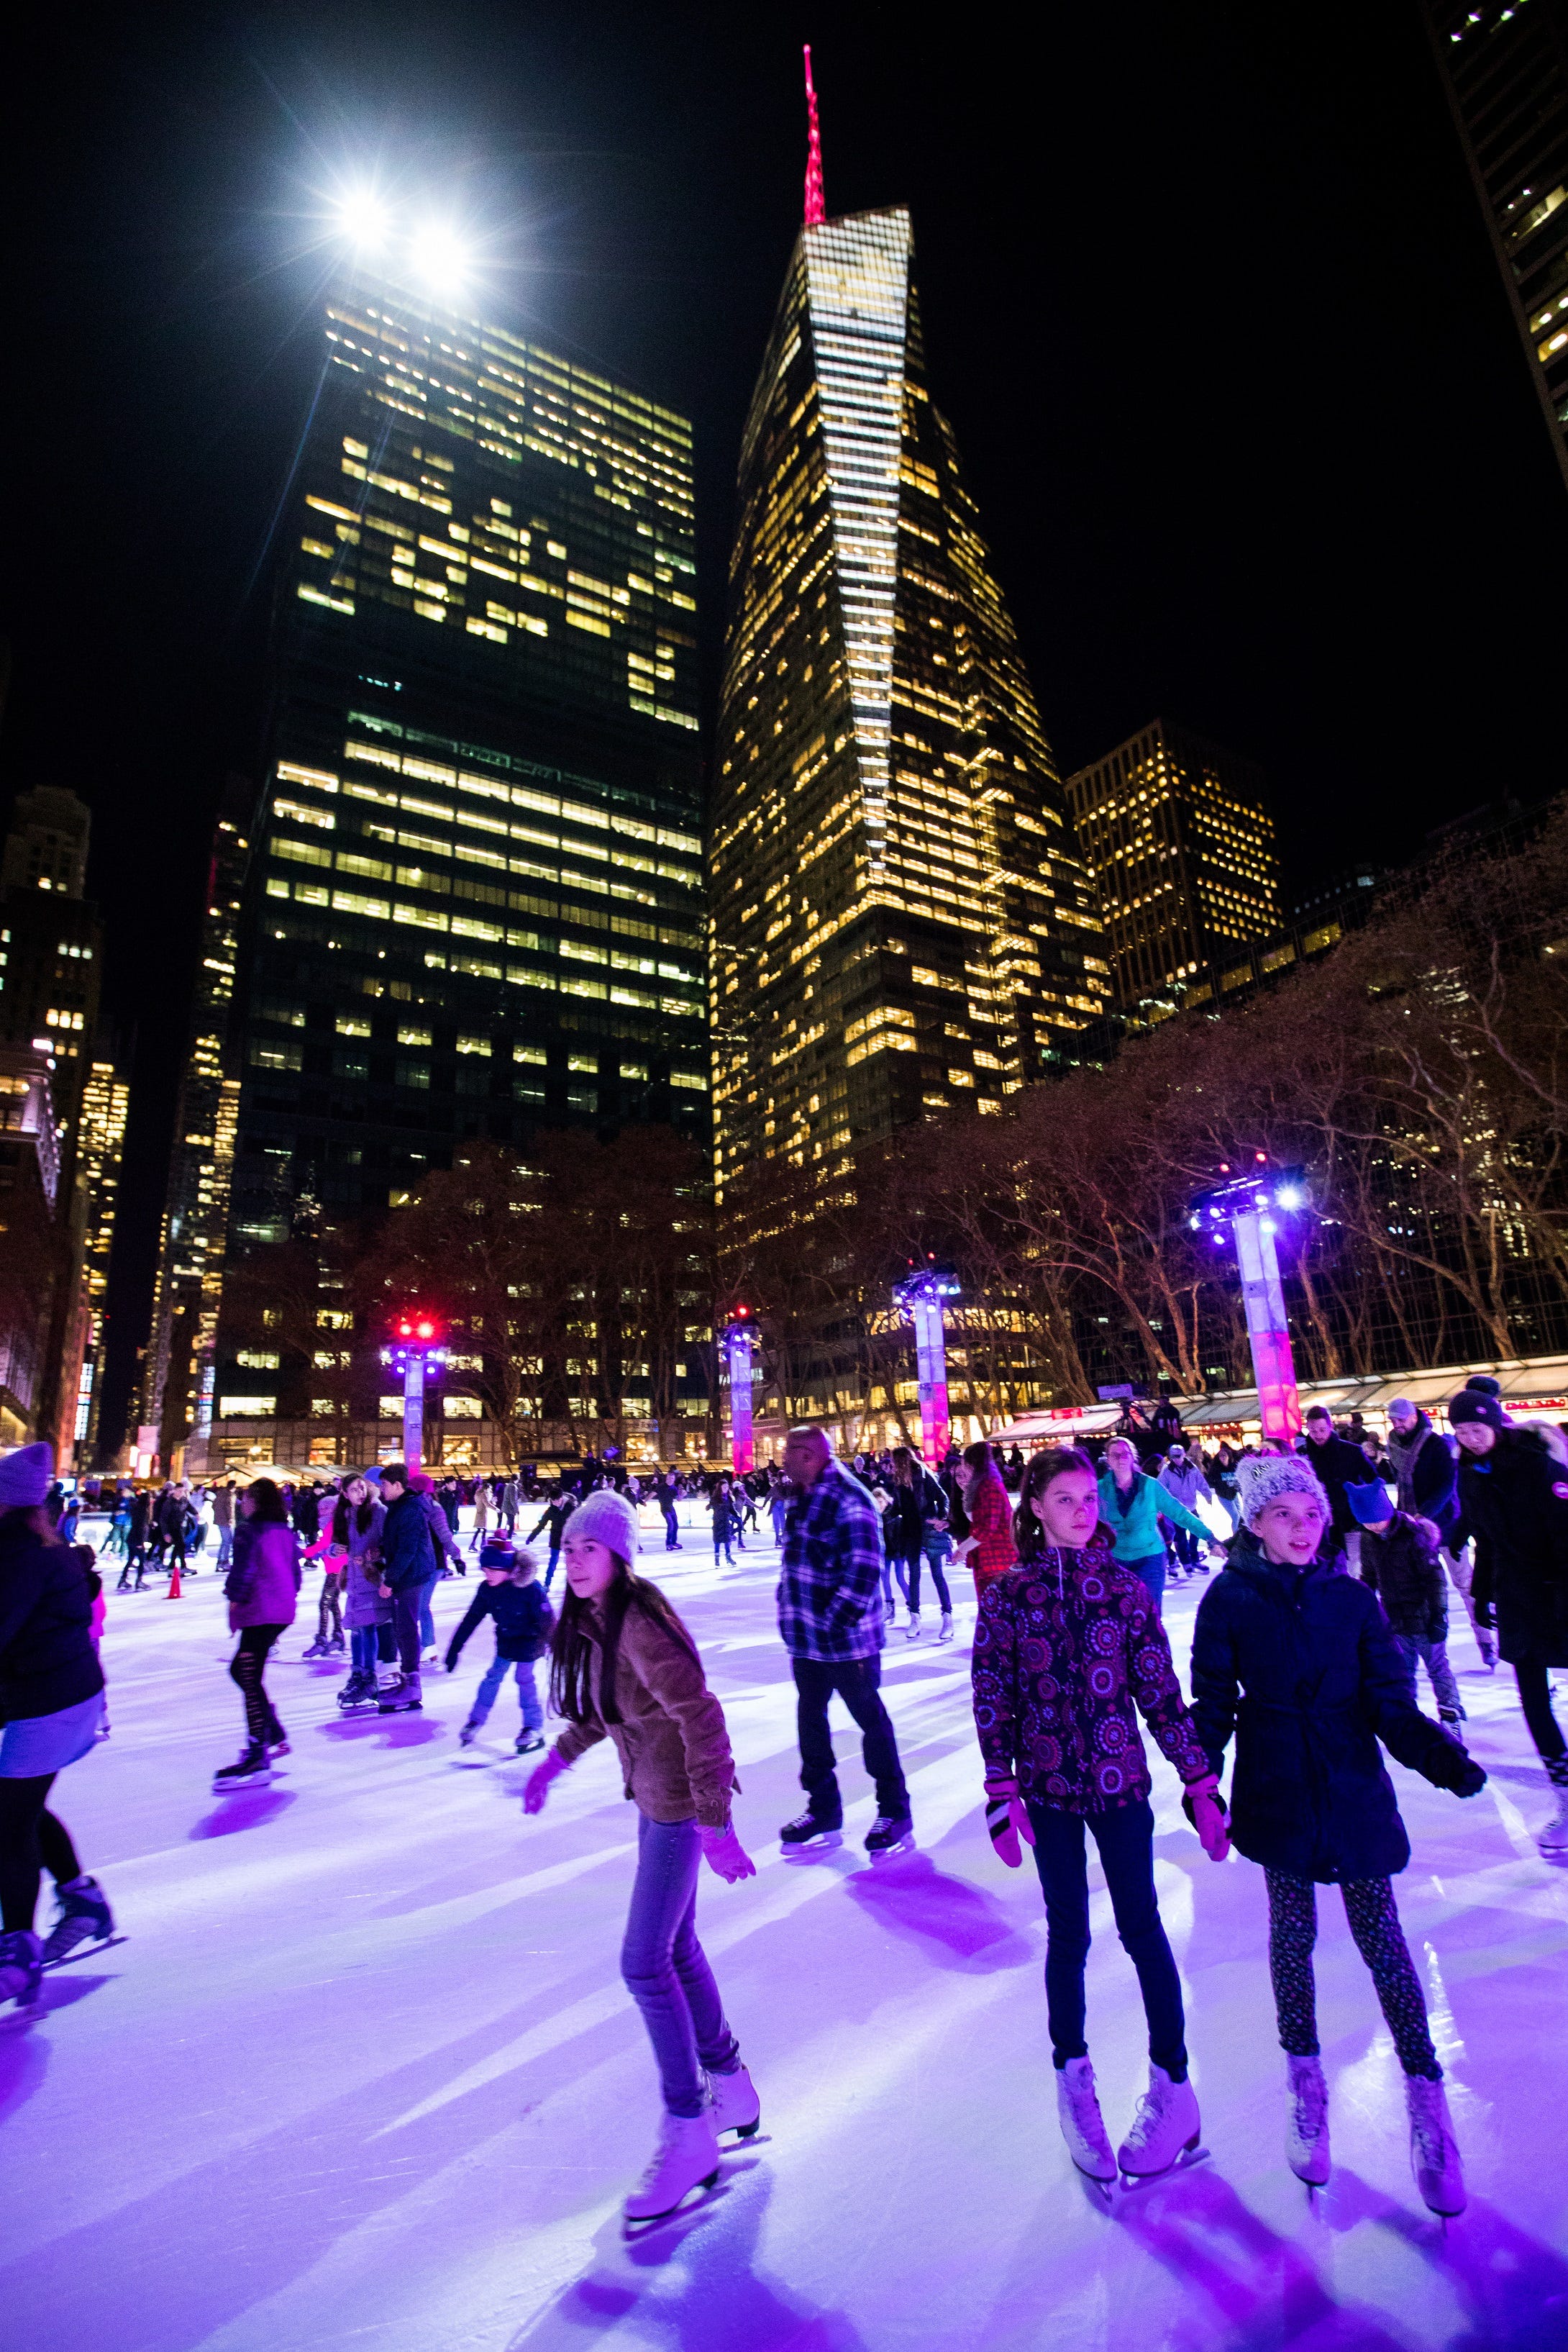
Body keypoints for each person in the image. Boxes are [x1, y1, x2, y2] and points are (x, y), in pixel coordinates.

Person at [1190, 1453, 1485, 2214]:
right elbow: (1213, 1702)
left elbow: (1390, 1702)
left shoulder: (1352, 1599)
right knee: (1290, 1936)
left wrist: (1439, 1754)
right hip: (1274, 1785)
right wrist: (1200, 1786)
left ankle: (1427, 2103)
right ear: (1253, 1522)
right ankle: (1304, 2085)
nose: (1300, 1525)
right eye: (1282, 1512)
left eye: (1311, 1512)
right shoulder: (1227, 1597)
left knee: (1381, 1938)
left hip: (1351, 1784)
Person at [974, 1445, 1228, 2187]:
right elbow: (993, 1692)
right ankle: (1073, 2077)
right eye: (1065, 1499)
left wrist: (1198, 1777)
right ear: (1035, 1508)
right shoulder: (1009, 1595)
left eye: (1088, 1498)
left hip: (1119, 1783)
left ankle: (1173, 2085)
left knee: (1142, 1928)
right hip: (1049, 1788)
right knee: (1068, 1933)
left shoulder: (1120, 1589)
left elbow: (1158, 1690)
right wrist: (1000, 1783)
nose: (1082, 1511)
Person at [521, 1489, 759, 2222]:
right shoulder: (598, 1618)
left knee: (642, 1960)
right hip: (658, 1797)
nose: (574, 1559)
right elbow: (604, 1709)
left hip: (682, 1801)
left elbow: (700, 1712)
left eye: (590, 1546)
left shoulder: (638, 1623)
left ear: (619, 1554)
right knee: (676, 1946)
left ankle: (689, 2128)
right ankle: (731, 2083)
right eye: (568, 1547)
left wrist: (716, 1824)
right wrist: (553, 1760)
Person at [0, 1445, 114, 2006]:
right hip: (53, 1696)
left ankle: (17, 1946)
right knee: (20, 1807)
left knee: (10, 1819)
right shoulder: (30, 1550)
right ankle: (81, 1897)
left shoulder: (23, 1557)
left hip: (52, 1701)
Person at [773, 1427, 912, 1854]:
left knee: (872, 1724)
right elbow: (798, 1562)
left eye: (790, 1454)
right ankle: (823, 1807)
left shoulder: (850, 1499)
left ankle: (895, 1809)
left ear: (811, 1455)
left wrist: (835, 1623)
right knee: (811, 1725)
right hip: (806, 1642)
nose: (783, 1462)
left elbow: (865, 1568)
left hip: (847, 1644)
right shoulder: (802, 1495)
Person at [1450, 1389, 1568, 1851]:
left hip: (1559, 1591)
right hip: (1518, 1599)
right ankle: (1564, 1794)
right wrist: (1482, 1596)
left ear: (1496, 1425)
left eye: (1477, 1430)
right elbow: (1486, 1537)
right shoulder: (1470, 1473)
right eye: (1461, 1432)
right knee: (1534, 1702)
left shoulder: (1540, 1468)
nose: (1470, 1439)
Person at [1347, 1484, 1464, 1722]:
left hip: (1425, 1616)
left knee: (1437, 1668)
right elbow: (1369, 1575)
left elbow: (1435, 1578)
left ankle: (1450, 1711)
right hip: (1395, 1619)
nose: (1373, 1526)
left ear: (1386, 1511)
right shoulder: (1369, 1539)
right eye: (1367, 1523)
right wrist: (1363, 1602)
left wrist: (1439, 1614)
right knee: (1402, 1670)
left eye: (1376, 1520)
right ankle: (1408, 1714)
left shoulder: (1413, 1535)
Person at [1385, 1397, 1487, 1664]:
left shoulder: (1436, 1444)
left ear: (1414, 1416)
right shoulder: (1394, 1445)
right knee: (1420, 1588)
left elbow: (1447, 1484)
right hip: (1413, 1528)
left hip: (1446, 1525)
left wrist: (1424, 1514)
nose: (1397, 1425)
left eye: (1401, 1420)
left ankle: (1485, 1638)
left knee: (1465, 1584)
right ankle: (1424, 1649)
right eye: (1393, 1420)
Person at [214, 1480, 301, 1789]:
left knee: (247, 1676)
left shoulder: (251, 1530)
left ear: (257, 1501)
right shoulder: (285, 1531)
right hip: (280, 1611)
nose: (243, 1503)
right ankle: (270, 1731)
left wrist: (234, 1600)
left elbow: (244, 1570)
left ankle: (258, 1749)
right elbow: (296, 1573)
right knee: (244, 1672)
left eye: (246, 1498)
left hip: (260, 1610)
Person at [447, 1535, 554, 1752]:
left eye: (493, 1571)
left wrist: (560, 1649)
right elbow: (471, 1619)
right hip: (506, 1639)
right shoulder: (487, 1590)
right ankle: (475, 1721)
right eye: (485, 1570)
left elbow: (548, 1621)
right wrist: (455, 1647)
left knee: (524, 1678)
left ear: (508, 1570)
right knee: (493, 1677)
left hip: (531, 1640)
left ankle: (533, 1726)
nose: (488, 1575)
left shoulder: (530, 1589)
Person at [1095, 1435, 1216, 1615]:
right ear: (1108, 1459)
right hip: (1115, 1560)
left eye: (1125, 1454)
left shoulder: (1150, 1486)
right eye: (1115, 1455)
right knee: (1119, 1615)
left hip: (1150, 1558)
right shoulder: (1099, 1489)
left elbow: (1179, 1513)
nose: (1121, 1459)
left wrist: (1209, 1537)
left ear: (1133, 1457)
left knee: (1149, 1614)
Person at [374, 1464, 437, 1712]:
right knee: (404, 1627)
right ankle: (409, 1677)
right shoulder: (399, 1507)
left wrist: (390, 1581)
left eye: (385, 1485)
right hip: (409, 1573)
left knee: (406, 1628)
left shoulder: (409, 1510)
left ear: (398, 1486)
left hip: (410, 1577)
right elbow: (398, 1543)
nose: (381, 1490)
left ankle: (412, 1682)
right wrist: (380, 1552)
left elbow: (408, 1550)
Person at [1300, 1405, 1368, 1567]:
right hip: (1318, 1524)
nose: (1318, 1435)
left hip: (1351, 1521)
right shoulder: (1302, 1456)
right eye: (1313, 1431)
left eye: (1322, 1430)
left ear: (1330, 1426)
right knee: (1325, 1568)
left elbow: (1373, 1482)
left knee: (1354, 1567)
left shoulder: (1351, 1452)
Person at [952, 1439, 1016, 1599]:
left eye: (964, 1463)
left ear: (971, 1464)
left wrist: (962, 1550)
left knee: (994, 1610)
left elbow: (986, 1528)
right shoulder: (983, 1485)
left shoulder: (989, 1487)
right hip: (989, 1560)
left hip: (996, 1559)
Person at [1156, 1444, 1216, 1579]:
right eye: (1173, 1457)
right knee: (1181, 1537)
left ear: (1184, 1455)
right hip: (1177, 1510)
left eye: (1178, 1456)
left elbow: (1201, 1482)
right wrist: (1161, 1506)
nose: (1176, 1460)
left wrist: (1207, 1495)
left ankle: (1194, 1559)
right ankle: (1186, 1562)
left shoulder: (1191, 1468)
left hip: (1191, 1506)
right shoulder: (1167, 1471)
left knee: (1195, 1534)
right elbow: (1159, 1488)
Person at [527, 1488, 574, 1593]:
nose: (555, 1503)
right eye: (553, 1501)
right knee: (553, 1562)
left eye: (557, 1500)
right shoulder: (551, 1510)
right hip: (556, 1538)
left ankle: (574, 1584)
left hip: (569, 1539)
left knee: (572, 1562)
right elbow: (541, 1524)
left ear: (561, 1498)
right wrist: (532, 1536)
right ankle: (547, 1584)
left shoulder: (571, 1508)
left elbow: (579, 1522)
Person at [709, 1478, 741, 1569]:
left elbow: (731, 1509)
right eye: (724, 1487)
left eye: (727, 1487)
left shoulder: (729, 1498)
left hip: (726, 1522)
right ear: (720, 1487)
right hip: (718, 1522)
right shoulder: (715, 1498)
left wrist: (737, 1515)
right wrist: (709, 1506)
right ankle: (717, 1558)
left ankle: (728, 1557)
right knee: (717, 1541)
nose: (726, 1488)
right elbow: (712, 1504)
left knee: (727, 1540)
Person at [211, 1479, 237, 1571]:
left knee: (225, 1541)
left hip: (219, 1520)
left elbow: (213, 1506)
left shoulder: (220, 1494)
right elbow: (229, 1507)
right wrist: (230, 1519)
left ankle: (220, 1562)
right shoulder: (230, 1495)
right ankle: (224, 1562)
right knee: (228, 1541)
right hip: (226, 1521)